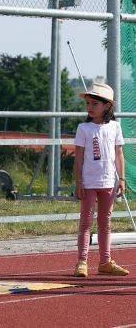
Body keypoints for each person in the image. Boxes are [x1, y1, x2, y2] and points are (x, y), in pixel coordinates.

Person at [73, 82, 129, 277]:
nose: (89, 107)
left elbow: (119, 154)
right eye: (88, 103)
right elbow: (78, 157)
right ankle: (82, 261)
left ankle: (105, 261)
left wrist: (121, 178)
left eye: (94, 103)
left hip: (108, 183)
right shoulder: (83, 128)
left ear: (107, 106)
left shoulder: (115, 127)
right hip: (88, 183)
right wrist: (78, 182)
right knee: (85, 222)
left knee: (105, 223)